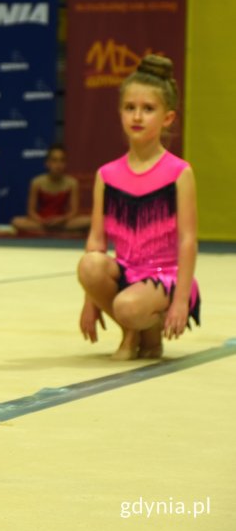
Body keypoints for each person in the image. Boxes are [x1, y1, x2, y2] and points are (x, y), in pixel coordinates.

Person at [77, 55, 198, 361]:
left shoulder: (178, 172)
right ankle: (136, 334)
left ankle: (146, 330)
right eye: (130, 108)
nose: (138, 116)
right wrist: (90, 300)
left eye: (148, 109)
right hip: (127, 270)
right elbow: (96, 241)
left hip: (164, 276)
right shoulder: (107, 175)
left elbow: (187, 240)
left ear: (168, 118)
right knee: (89, 264)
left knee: (126, 307)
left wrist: (181, 300)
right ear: (120, 113)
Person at [11, 144, 91, 235]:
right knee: (16, 221)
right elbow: (31, 210)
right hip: (41, 222)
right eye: (54, 160)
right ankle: (54, 231)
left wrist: (62, 219)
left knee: (88, 221)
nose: (58, 165)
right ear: (47, 163)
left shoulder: (72, 183)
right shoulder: (36, 182)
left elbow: (74, 211)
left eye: (62, 160)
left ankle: (48, 232)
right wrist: (42, 221)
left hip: (62, 222)